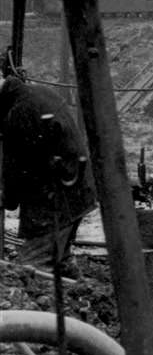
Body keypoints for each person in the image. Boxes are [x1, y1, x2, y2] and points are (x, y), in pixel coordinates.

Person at [0, 75, 97, 272]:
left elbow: (16, 173)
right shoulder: (39, 92)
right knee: (60, 262)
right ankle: (80, 296)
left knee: (30, 270)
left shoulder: (19, 113)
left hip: (57, 204)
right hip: (77, 192)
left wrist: (6, 199)